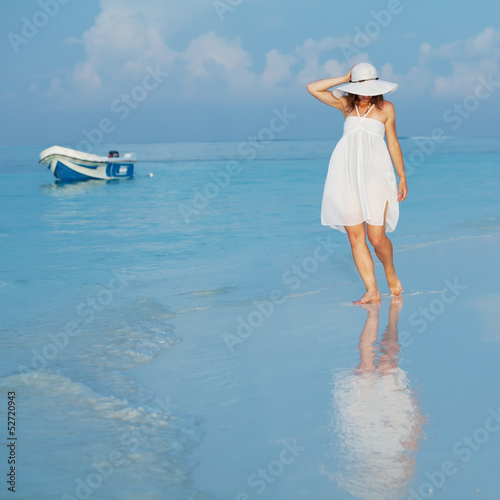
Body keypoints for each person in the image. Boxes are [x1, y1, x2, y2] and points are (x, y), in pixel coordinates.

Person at [307, 62, 408, 304]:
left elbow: (393, 143)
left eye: (370, 87)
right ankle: (372, 290)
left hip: (376, 176)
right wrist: (343, 77)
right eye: (360, 87)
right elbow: (313, 88)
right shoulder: (345, 105)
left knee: (376, 238)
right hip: (345, 174)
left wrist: (402, 175)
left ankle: (390, 270)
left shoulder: (386, 108)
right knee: (355, 237)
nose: (365, 93)